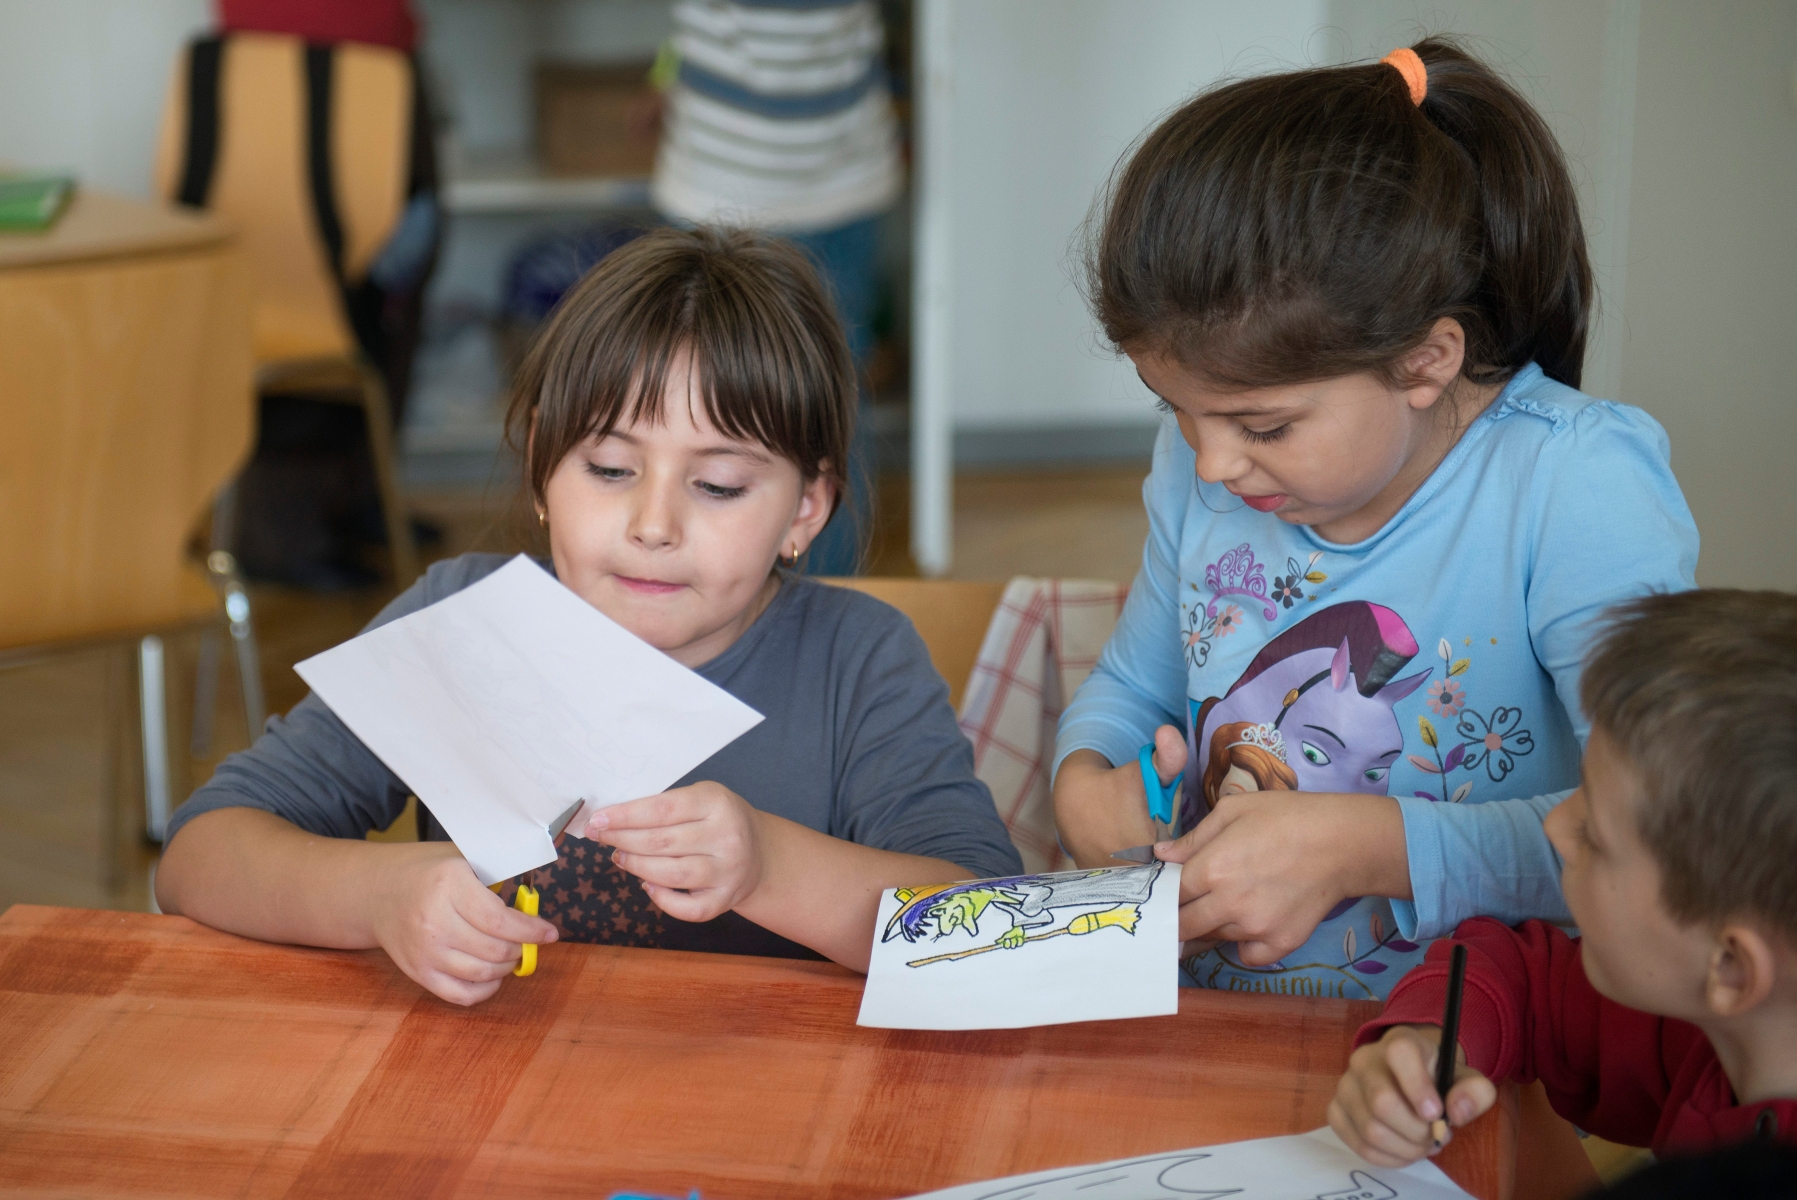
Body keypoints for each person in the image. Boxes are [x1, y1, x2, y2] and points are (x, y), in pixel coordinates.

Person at [155, 227, 1023, 1006]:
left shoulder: (859, 659)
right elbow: (198, 857)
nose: (653, 525)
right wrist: (380, 896)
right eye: (609, 469)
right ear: (541, 465)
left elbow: (992, 930)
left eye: (718, 486)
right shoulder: (462, 623)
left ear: (805, 510)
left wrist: (772, 864)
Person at [1052, 39, 1699, 999]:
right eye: (1173, 410)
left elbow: (1662, 834)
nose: (1212, 464)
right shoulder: (1205, 469)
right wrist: (1084, 786)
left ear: (1425, 362)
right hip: (1215, 1033)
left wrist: (1370, 848)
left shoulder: (1574, 484)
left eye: (1262, 424)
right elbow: (1130, 685)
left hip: (1469, 1055)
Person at [1330, 590, 1797, 1164]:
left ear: (1731, 966)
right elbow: (1522, 980)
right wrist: (1429, 1041)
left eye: (1595, 837)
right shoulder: (1700, 1022)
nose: (1555, 827)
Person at [645, 0, 906, 574]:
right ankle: (716, 583)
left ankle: (817, 597)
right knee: (718, 407)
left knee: (796, 407)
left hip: (815, 177)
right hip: (737, 175)